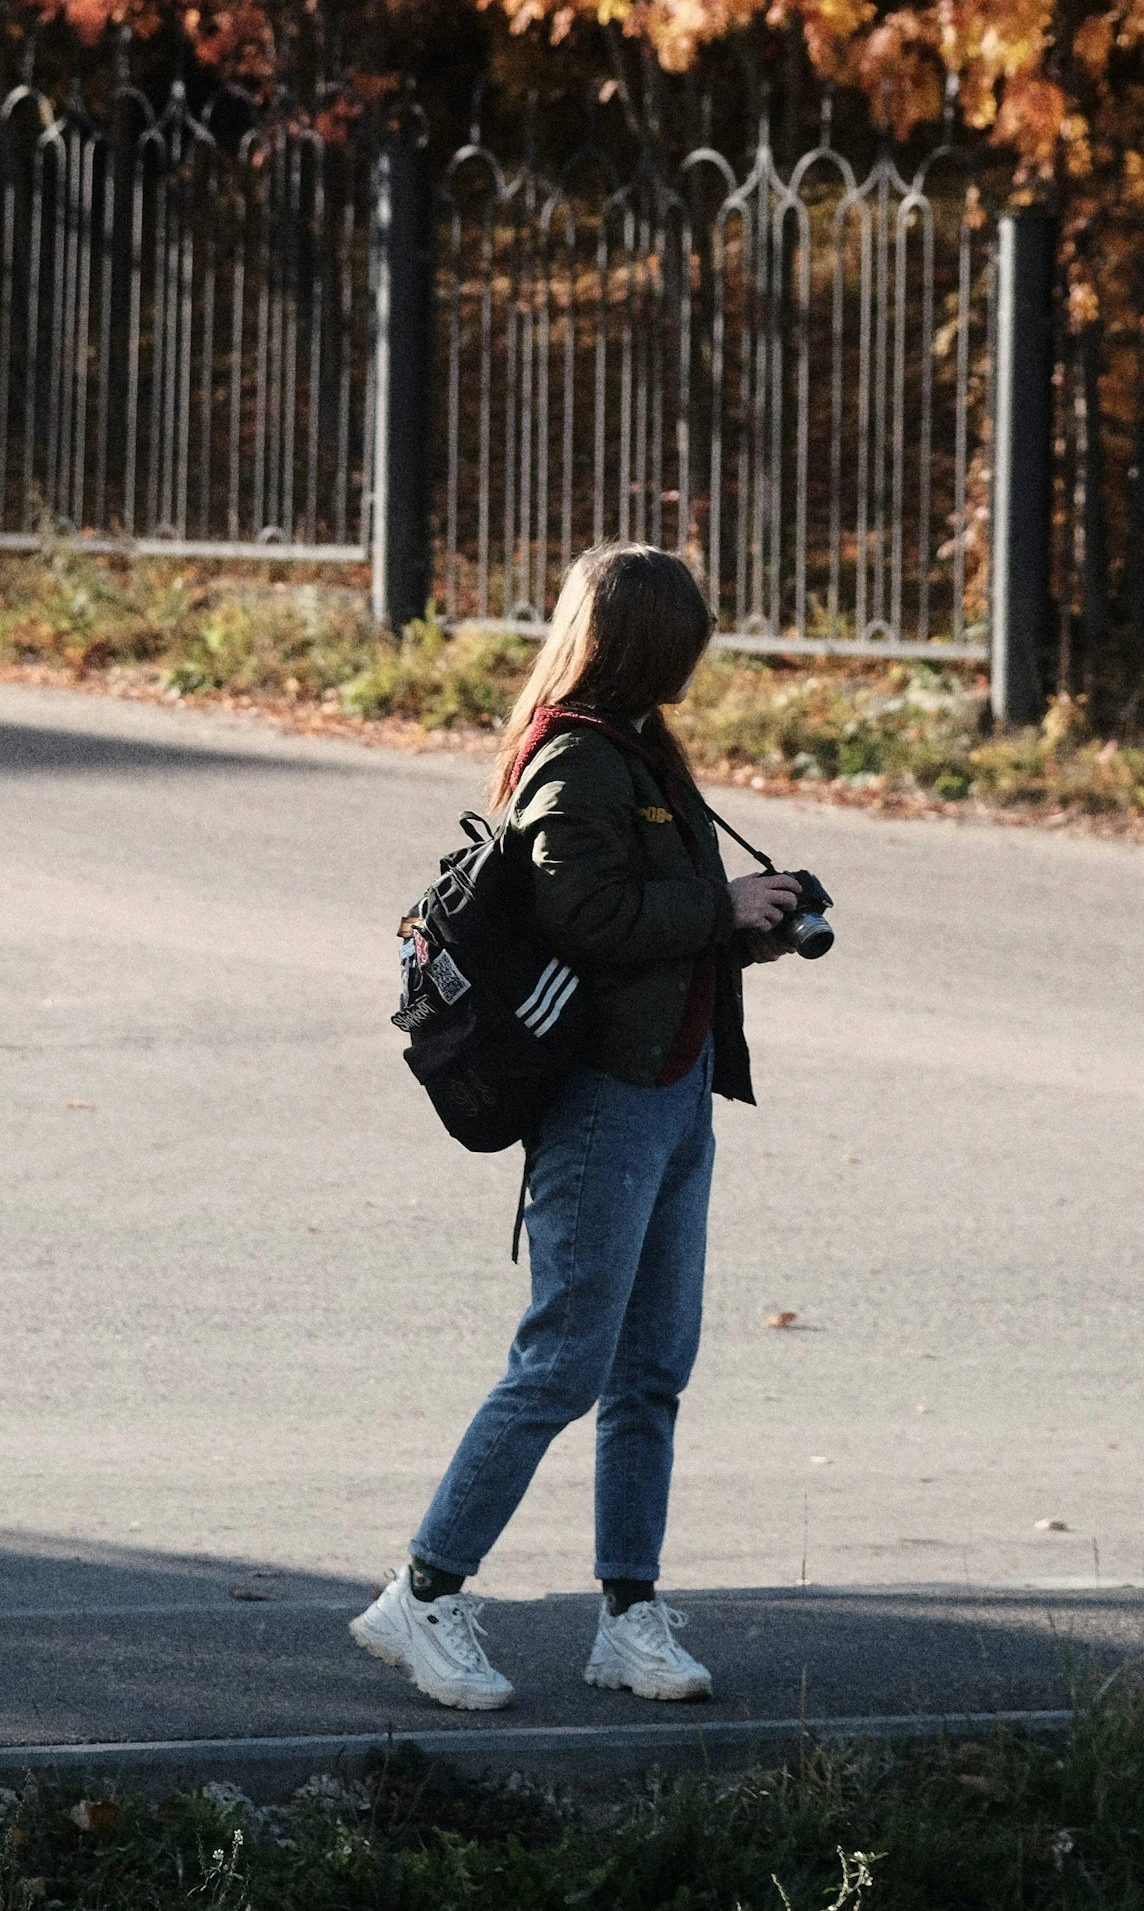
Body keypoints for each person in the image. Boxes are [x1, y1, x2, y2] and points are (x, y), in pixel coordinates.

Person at [350, 542, 802, 1711]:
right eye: (687, 636)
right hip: (604, 1096)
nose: (699, 655)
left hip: (674, 1085)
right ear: (645, 640)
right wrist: (719, 904)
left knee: (651, 1368)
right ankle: (422, 1592)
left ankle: (626, 1617)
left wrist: (744, 925)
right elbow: (583, 911)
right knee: (561, 1362)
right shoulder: (572, 757)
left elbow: (641, 920)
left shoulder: (644, 749)